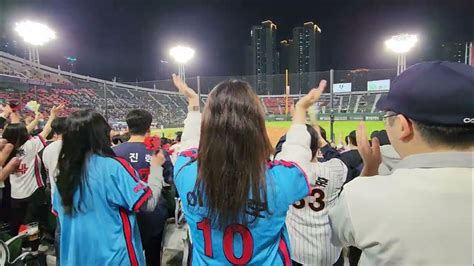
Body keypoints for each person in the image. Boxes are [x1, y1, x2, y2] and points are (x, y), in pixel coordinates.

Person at [329, 61, 474, 265]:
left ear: (404, 126)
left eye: (388, 116)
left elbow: (338, 235)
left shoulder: (363, 195)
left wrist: (369, 170)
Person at [172, 74, 325, 265]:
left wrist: (193, 103)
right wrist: (301, 111)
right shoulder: (278, 182)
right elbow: (298, 154)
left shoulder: (185, 173)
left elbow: (189, 143)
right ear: (257, 127)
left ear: (207, 126)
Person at [53, 109, 165, 265]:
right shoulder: (113, 167)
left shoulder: (63, 173)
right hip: (113, 257)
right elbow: (149, 203)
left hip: (76, 259)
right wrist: (156, 168)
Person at [275, 125, 348, 266]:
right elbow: (337, 157)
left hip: (297, 252)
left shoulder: (284, 171)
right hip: (330, 250)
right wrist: (321, 141)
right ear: (318, 147)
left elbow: (280, 152)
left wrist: (291, 137)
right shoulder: (335, 169)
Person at [113, 109, 171, 266]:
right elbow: (169, 179)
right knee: (153, 258)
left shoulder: (114, 152)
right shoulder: (158, 151)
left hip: (125, 212)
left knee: (127, 255)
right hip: (154, 212)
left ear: (128, 126)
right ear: (149, 127)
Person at [2, 105, 63, 234]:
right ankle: (34, 250)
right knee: (32, 224)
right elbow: (46, 131)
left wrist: (34, 120)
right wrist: (52, 115)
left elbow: (18, 133)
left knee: (16, 221)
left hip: (15, 193)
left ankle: (14, 246)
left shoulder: (6, 150)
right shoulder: (30, 146)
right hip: (33, 192)